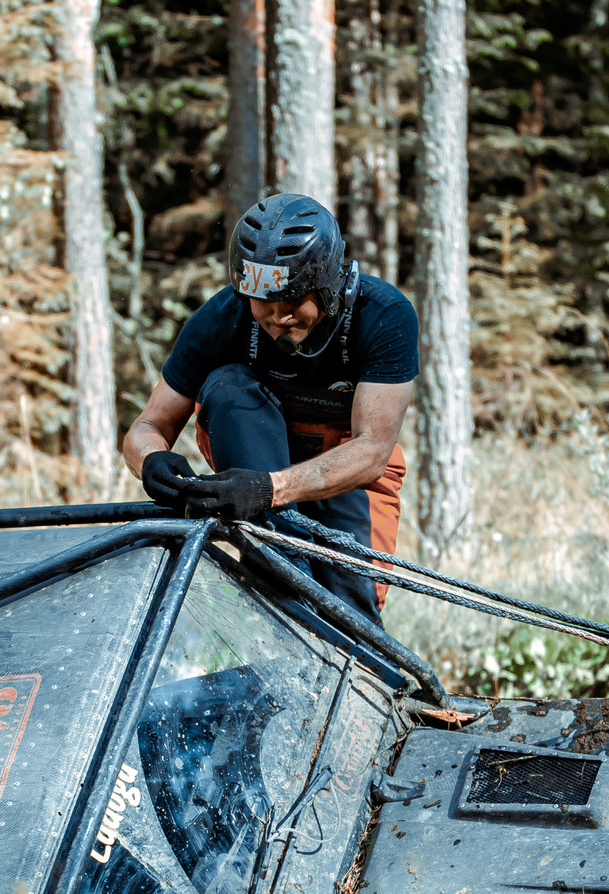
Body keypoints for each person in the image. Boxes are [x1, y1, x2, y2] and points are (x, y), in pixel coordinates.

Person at [120, 194, 417, 621]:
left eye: (293, 302)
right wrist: (151, 462)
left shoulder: (384, 315)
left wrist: (267, 490)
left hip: (349, 469)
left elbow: (372, 452)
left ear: (329, 285)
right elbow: (146, 427)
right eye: (264, 304)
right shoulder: (222, 316)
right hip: (255, 456)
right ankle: (278, 581)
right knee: (227, 386)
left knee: (349, 610)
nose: (279, 318)